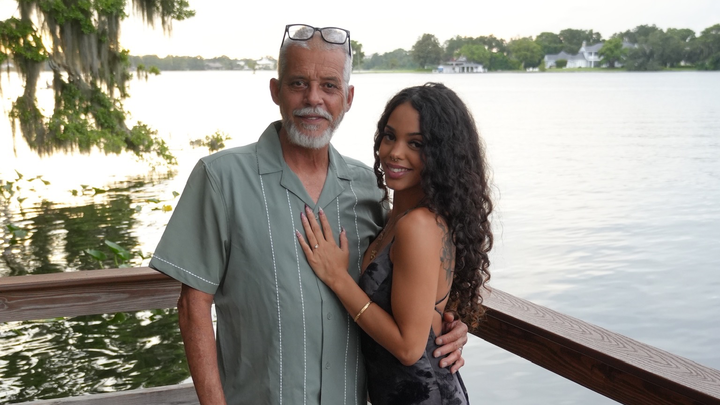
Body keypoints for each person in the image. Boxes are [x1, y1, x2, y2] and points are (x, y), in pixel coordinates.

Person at [149, 25, 468, 405]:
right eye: (298, 83)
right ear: (276, 91)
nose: (313, 98)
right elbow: (192, 307)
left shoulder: (370, 188)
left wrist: (446, 325)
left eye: (329, 86)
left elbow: (408, 277)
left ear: (348, 98)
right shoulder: (220, 178)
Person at [296, 83, 493, 405]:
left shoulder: (419, 225)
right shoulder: (399, 218)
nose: (394, 152)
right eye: (390, 136)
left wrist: (338, 278)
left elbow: (409, 348)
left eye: (416, 143)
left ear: (443, 155)